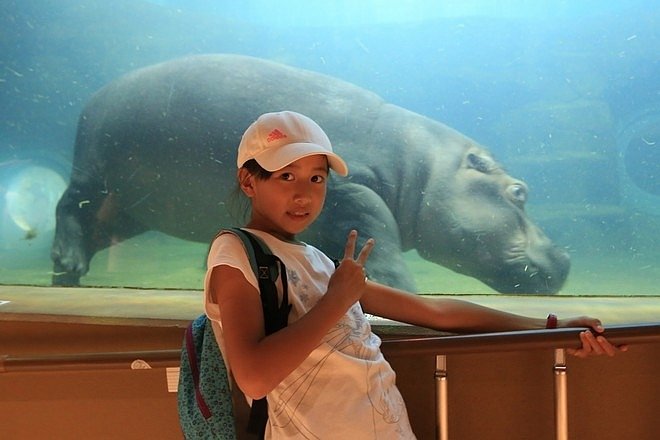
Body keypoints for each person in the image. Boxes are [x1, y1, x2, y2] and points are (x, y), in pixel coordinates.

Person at [204, 110, 626, 439]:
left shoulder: (316, 260)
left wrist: (551, 328)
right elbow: (254, 378)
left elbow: (436, 313)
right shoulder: (235, 253)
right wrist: (337, 299)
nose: (303, 193)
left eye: (316, 178)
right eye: (285, 176)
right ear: (248, 180)